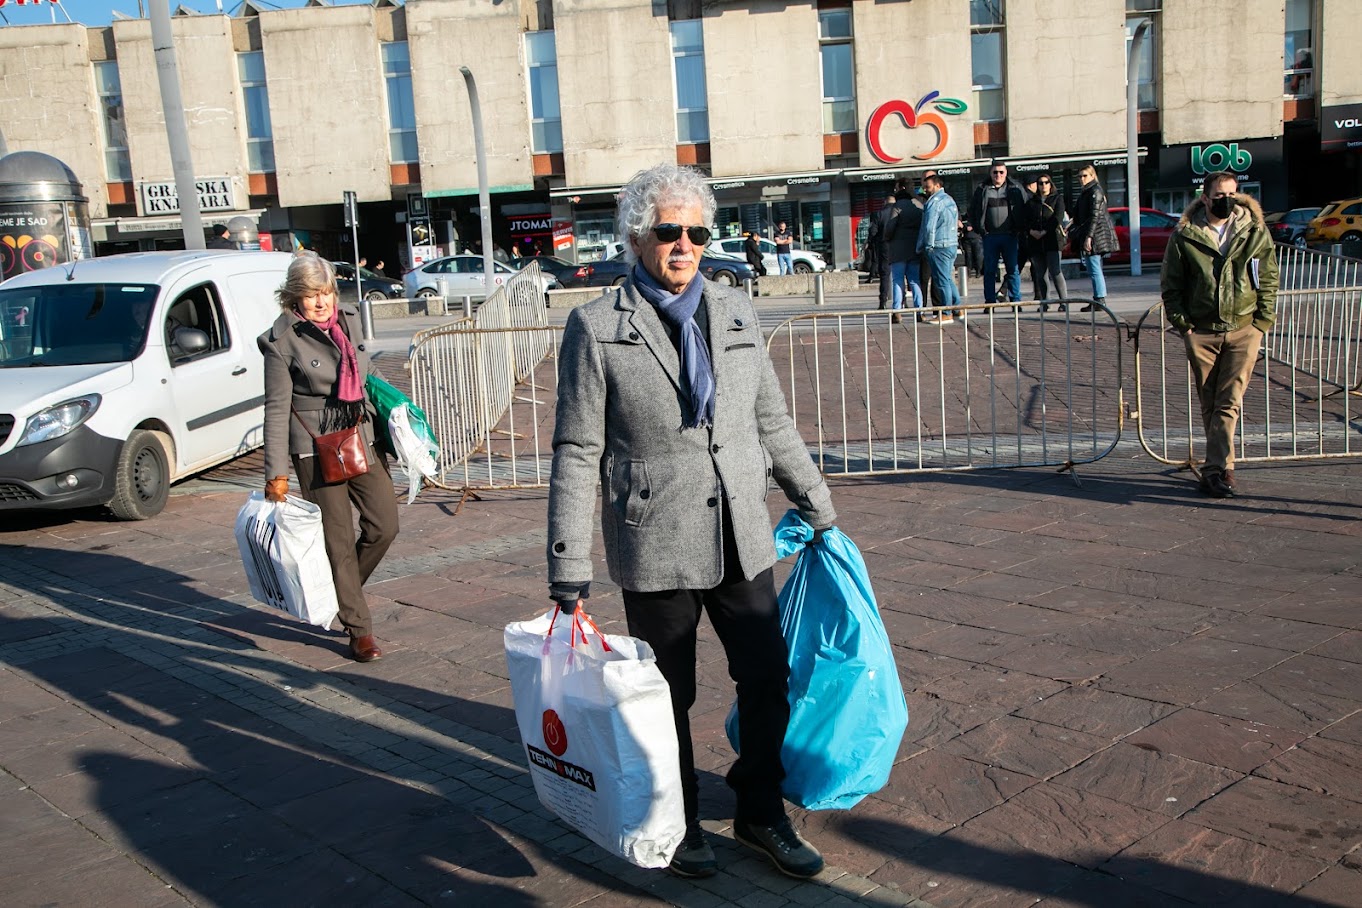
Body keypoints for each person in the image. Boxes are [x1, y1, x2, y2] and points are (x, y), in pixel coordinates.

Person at [547, 163, 836, 881]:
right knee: (667, 695)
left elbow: (769, 419)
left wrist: (816, 504)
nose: (684, 245)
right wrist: (566, 563)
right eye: (668, 231)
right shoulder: (595, 326)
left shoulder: (737, 310)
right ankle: (675, 817)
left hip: (742, 533)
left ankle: (759, 809)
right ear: (637, 238)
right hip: (654, 538)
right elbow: (578, 446)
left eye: (696, 231)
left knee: (769, 678)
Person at [258, 253, 399, 663]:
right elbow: (276, 409)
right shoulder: (281, 341)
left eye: (326, 292)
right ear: (294, 297)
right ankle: (360, 630)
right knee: (337, 539)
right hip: (314, 447)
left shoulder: (349, 319)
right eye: (311, 295)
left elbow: (367, 375)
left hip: (359, 435)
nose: (321, 302)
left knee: (384, 525)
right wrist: (276, 474)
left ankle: (342, 591)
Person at [1161, 171, 1278, 499]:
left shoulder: (1253, 230)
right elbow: (1172, 285)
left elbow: (1267, 276)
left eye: (1233, 194)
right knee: (1211, 401)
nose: (1227, 200)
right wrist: (1184, 325)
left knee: (1228, 400)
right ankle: (1224, 464)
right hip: (1202, 331)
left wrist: (1262, 321)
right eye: (1220, 196)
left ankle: (1213, 472)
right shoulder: (1185, 235)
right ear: (1205, 198)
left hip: (1243, 329)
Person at [967, 159, 1027, 311]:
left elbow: (1025, 208)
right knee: (989, 270)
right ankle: (990, 302)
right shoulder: (982, 189)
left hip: (1010, 236)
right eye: (995, 172)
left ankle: (1016, 301)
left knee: (1013, 269)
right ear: (990, 173)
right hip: (990, 236)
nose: (998, 175)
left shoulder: (1015, 188)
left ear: (1006, 173)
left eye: (1001, 172)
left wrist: (1020, 228)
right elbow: (973, 210)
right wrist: (978, 228)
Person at [1072, 164, 1119, 311]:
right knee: (1094, 268)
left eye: (1085, 175)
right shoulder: (1086, 192)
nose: (1082, 179)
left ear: (1092, 176)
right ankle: (1098, 299)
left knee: (1094, 268)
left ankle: (1099, 300)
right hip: (1091, 233)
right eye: (1079, 176)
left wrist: (1089, 237)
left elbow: (1095, 216)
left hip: (1095, 235)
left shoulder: (1095, 191)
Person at [918, 172, 963, 323]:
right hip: (951, 244)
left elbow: (929, 227)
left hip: (938, 246)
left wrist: (928, 246)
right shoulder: (950, 200)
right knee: (948, 278)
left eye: (928, 186)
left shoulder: (934, 202)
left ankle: (946, 312)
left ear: (937, 185)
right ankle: (957, 307)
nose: (925, 189)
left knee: (941, 281)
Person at [1026, 172, 1069, 312]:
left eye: (1046, 182)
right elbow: (1025, 220)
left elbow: (1058, 218)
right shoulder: (1032, 202)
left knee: (1055, 271)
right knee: (1040, 274)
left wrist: (1044, 231)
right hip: (1035, 242)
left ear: (1051, 184)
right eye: (1040, 183)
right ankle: (1045, 302)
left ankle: (1064, 302)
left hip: (1052, 240)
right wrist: (1032, 231)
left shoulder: (1057, 199)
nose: (1043, 185)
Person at [885, 183, 925, 325]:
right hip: (914, 248)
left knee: (897, 280)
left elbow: (890, 228)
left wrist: (887, 238)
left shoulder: (897, 207)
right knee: (914, 281)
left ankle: (897, 312)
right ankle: (919, 310)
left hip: (898, 249)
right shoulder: (918, 207)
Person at [872, 194, 897, 310]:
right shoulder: (899, 211)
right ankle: (902, 301)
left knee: (884, 275)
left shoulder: (879, 214)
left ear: (885, 202)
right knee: (900, 274)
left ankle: (883, 301)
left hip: (884, 246)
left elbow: (873, 231)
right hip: (898, 245)